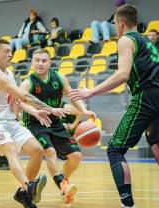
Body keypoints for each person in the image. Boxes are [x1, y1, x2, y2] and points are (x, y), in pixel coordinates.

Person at [69, 4, 159, 208]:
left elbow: (122, 74)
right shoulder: (146, 40)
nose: (114, 28)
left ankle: (128, 204)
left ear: (121, 23)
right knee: (154, 138)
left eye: (114, 24)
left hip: (148, 97)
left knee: (114, 149)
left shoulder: (125, 39)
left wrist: (92, 91)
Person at [0, 39, 69, 207]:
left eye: (11, 51)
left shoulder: (8, 73)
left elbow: (17, 100)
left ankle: (23, 194)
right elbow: (25, 96)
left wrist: (36, 111)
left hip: (11, 121)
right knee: (11, 149)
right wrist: (51, 109)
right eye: (6, 51)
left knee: (37, 150)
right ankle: (28, 186)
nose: (10, 54)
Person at [20, 48, 96, 205]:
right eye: (37, 60)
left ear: (49, 63)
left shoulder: (59, 78)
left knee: (76, 157)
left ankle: (64, 180)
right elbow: (21, 101)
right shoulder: (27, 82)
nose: (40, 63)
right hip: (36, 124)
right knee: (50, 152)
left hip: (55, 123)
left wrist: (84, 110)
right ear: (32, 62)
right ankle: (62, 186)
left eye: (44, 60)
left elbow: (72, 95)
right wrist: (41, 110)